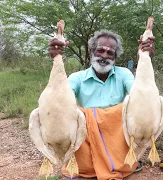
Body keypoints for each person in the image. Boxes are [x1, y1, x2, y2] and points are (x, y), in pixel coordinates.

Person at [48, 30, 155, 179]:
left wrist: (144, 58)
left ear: (115, 57)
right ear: (92, 52)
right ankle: (90, 164)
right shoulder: (77, 78)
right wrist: (56, 59)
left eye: (110, 53)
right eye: (100, 50)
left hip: (116, 135)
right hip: (85, 137)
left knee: (132, 105)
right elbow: (60, 102)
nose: (104, 56)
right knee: (67, 110)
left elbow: (140, 96)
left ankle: (118, 161)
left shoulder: (123, 74)